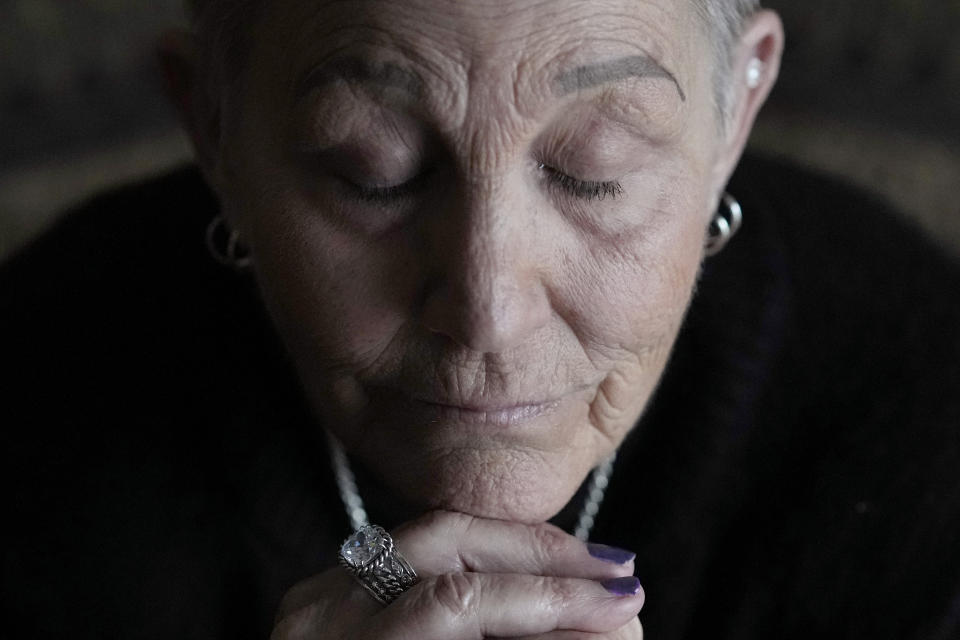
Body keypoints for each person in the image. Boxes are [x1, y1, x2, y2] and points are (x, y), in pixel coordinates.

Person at [3, 0, 960, 638]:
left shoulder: (920, 420)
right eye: (371, 171)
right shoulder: (44, 389)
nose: (488, 313)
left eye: (596, 170)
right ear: (213, 121)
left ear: (736, 106)